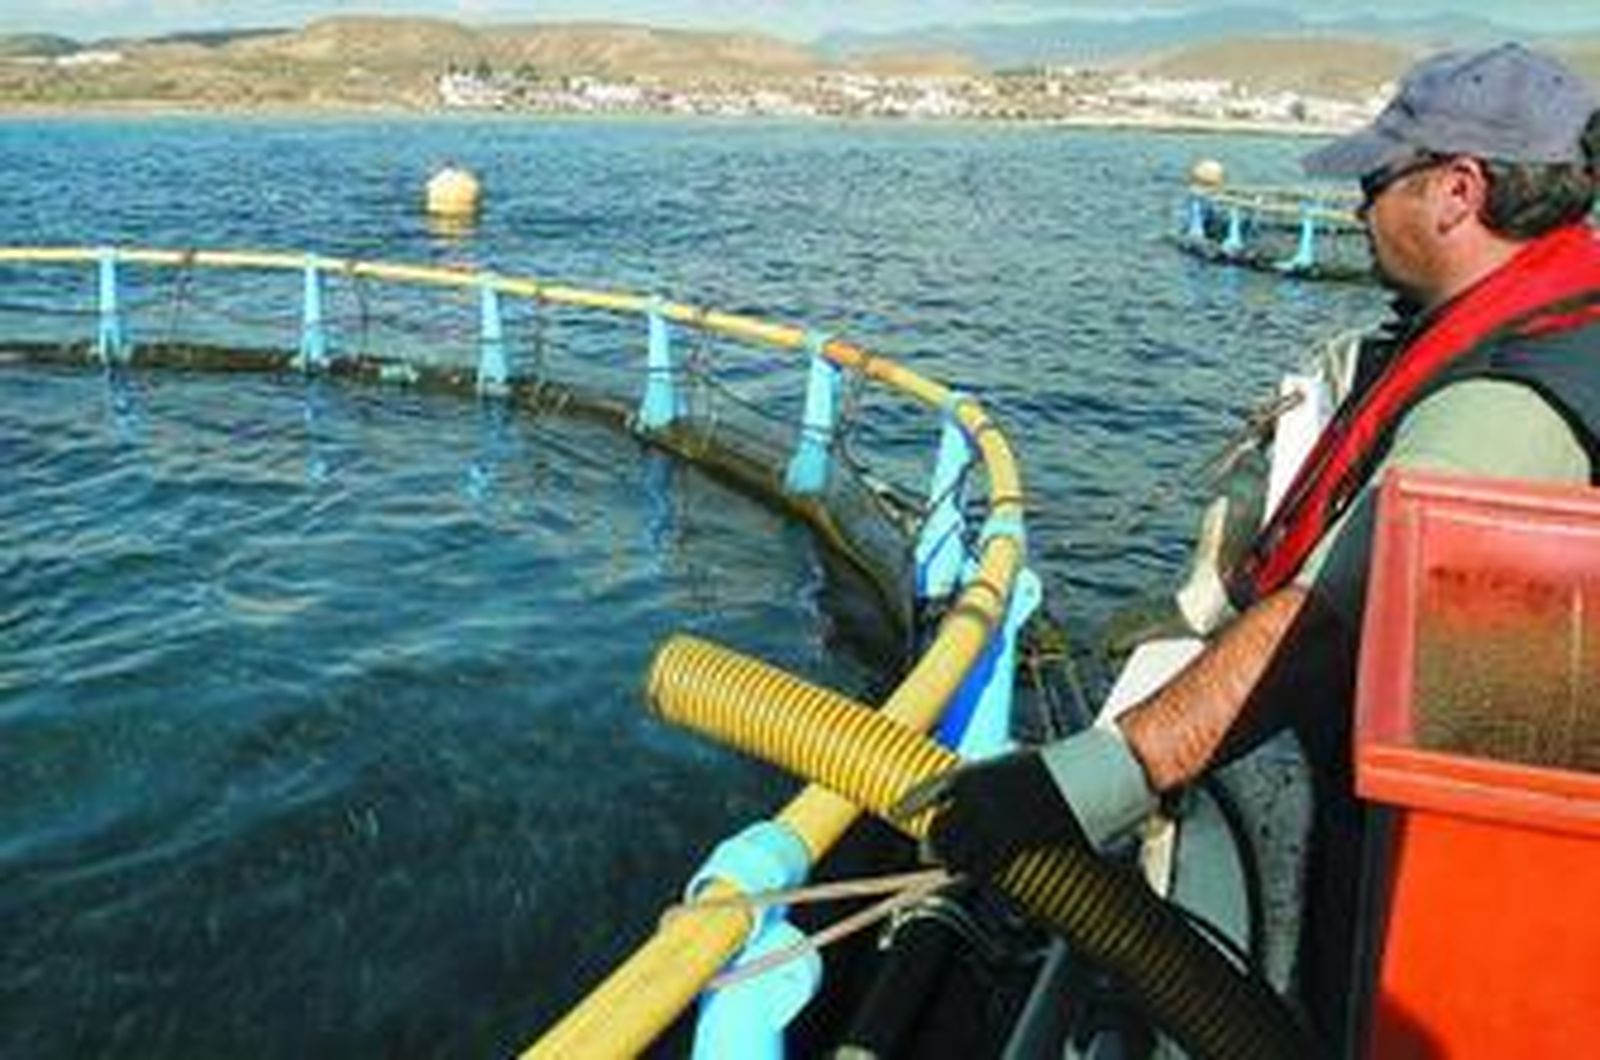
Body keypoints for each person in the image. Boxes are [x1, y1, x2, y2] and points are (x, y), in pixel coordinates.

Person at [895, 42, 1600, 1049]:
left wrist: (1074, 785)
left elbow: (1322, 629)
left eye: (1373, 179)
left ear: (1456, 190)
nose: (1359, 208)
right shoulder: (1541, 317)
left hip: (1446, 902)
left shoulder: (1506, 400)